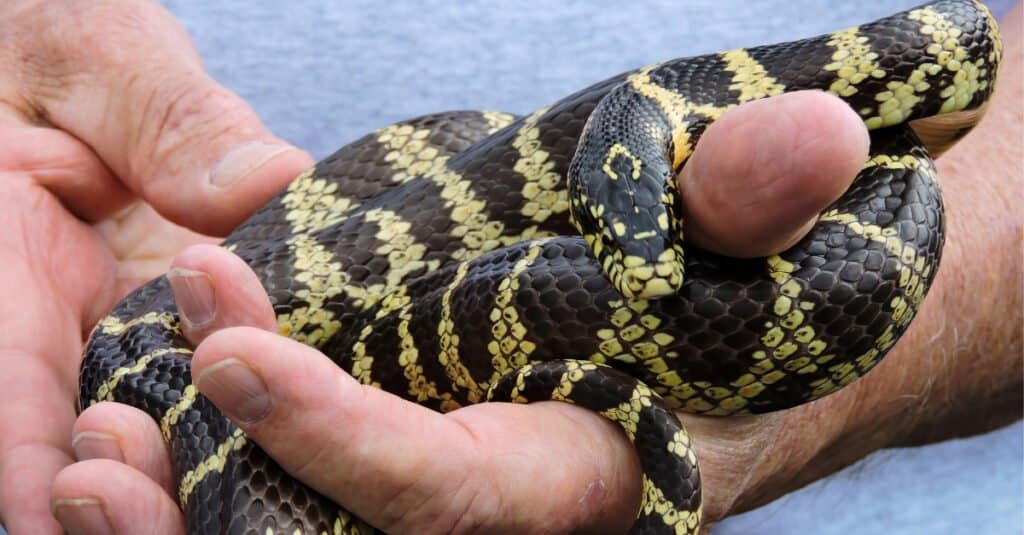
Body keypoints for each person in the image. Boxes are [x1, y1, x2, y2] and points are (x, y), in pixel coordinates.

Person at [0, 0, 1019, 533]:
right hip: (139, 261)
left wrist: (859, 384)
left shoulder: (912, 61)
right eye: (629, 253)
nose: (648, 279)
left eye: (644, 253)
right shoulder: (611, 142)